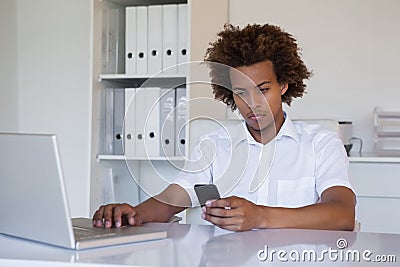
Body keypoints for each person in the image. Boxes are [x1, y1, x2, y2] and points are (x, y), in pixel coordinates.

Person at [93, 23, 356, 232]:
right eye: (241, 93)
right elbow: (173, 199)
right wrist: (132, 214)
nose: (252, 104)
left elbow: (342, 214)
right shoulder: (215, 146)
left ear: (283, 85)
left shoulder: (320, 144)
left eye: (263, 90)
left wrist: (260, 216)